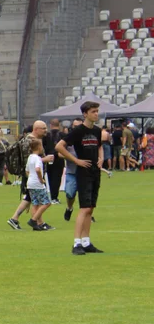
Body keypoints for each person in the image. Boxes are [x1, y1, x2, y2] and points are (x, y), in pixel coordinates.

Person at [56, 102, 104, 255]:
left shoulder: (97, 131)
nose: (96, 114)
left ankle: (86, 241)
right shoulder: (78, 131)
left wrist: (101, 158)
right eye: (93, 112)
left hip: (95, 172)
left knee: (90, 208)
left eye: (97, 111)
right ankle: (76, 243)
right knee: (84, 208)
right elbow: (59, 147)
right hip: (83, 173)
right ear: (85, 114)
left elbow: (100, 146)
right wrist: (76, 161)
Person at [7, 121, 54, 232]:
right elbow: (29, 161)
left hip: (33, 176)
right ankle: (20, 219)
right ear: (36, 129)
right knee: (35, 199)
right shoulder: (28, 141)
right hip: (33, 177)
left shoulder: (34, 140)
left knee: (31, 199)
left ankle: (37, 222)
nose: (45, 130)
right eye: (43, 128)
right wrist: (45, 160)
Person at [22, 138, 52, 231]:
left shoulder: (30, 157)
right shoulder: (38, 158)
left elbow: (27, 171)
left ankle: (37, 225)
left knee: (35, 204)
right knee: (47, 203)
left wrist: (31, 177)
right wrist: (40, 179)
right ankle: (33, 220)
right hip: (37, 183)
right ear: (39, 147)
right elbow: (38, 169)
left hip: (30, 183)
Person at [46, 119, 65, 202]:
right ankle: (54, 197)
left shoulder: (46, 135)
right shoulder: (63, 135)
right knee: (57, 178)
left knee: (50, 177)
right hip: (59, 159)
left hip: (48, 158)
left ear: (50, 125)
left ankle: (51, 195)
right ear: (59, 125)